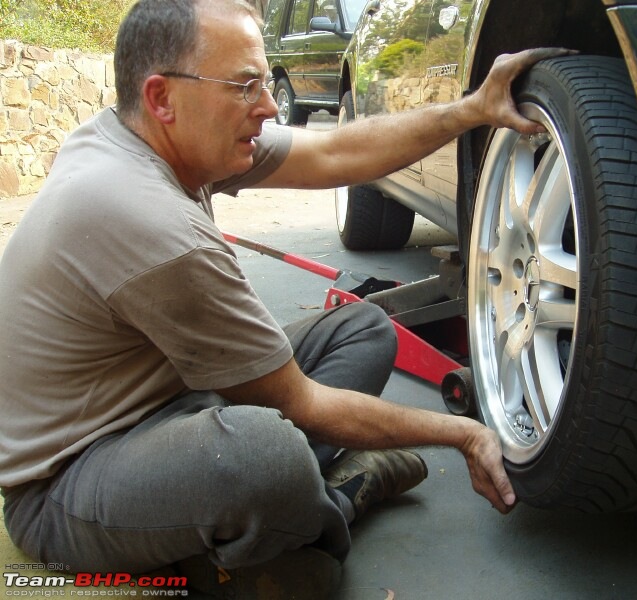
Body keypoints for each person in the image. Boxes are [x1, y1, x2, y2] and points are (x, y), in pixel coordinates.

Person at [0, 0, 572, 596]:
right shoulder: (147, 217)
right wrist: (464, 432)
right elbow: (300, 402)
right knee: (266, 468)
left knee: (365, 329)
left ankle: (276, 510)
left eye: (264, 81)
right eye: (245, 85)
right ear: (162, 97)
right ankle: (333, 502)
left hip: (170, 400)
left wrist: (471, 109)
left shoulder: (154, 137)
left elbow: (335, 152)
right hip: (69, 479)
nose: (270, 104)